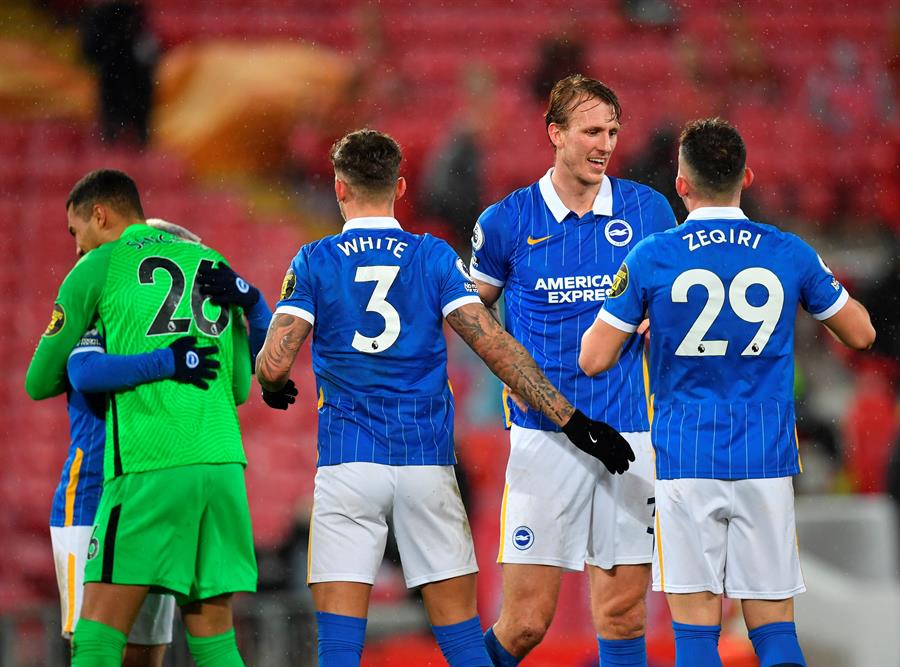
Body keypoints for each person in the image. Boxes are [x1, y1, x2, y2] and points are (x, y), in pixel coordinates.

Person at [255, 128, 635, 667]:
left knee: (338, 649)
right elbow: (493, 345)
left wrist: (274, 386)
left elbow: (273, 362)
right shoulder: (432, 257)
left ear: (339, 188)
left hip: (347, 469)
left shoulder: (315, 259)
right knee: (461, 644)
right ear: (401, 186)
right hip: (425, 465)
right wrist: (572, 420)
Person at [580, 117, 876, 667]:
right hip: (765, 457)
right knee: (775, 630)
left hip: (687, 458)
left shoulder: (652, 255)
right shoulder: (788, 252)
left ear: (682, 185)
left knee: (696, 635)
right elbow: (861, 333)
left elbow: (592, 359)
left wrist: (645, 329)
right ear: (748, 177)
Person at [468, 74, 676, 666]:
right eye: (591, 130)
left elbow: (673, 303)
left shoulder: (647, 210)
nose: (605, 143)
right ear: (555, 133)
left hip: (631, 436)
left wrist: (658, 317)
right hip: (544, 441)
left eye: (612, 131)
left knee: (623, 616)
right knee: (526, 625)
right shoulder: (508, 221)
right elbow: (468, 314)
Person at [25, 169, 259, 666]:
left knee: (97, 638)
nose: (75, 247)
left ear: (100, 215)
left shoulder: (102, 270)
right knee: (213, 641)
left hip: (137, 472)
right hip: (221, 467)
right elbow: (239, 387)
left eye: (75, 232)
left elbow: (41, 380)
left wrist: (157, 362)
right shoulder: (212, 264)